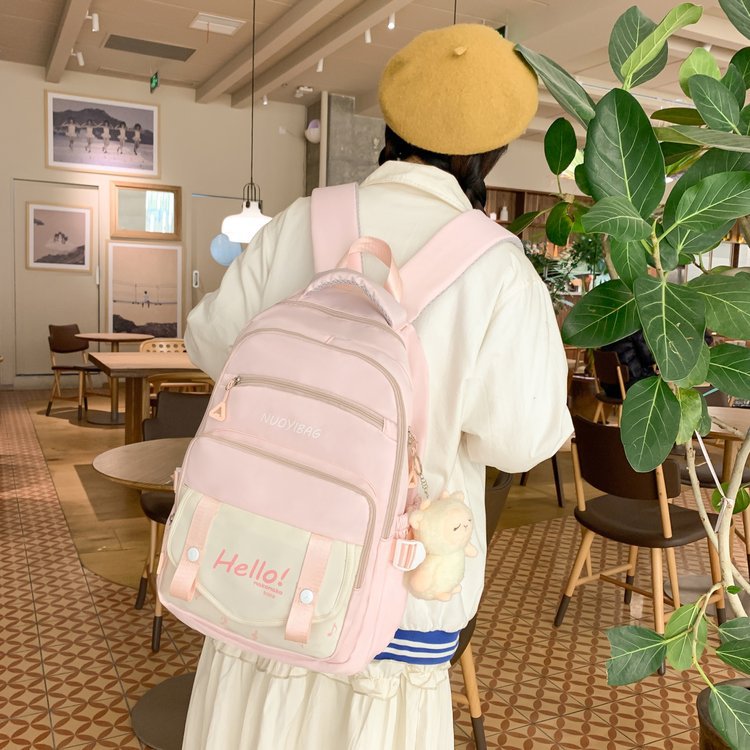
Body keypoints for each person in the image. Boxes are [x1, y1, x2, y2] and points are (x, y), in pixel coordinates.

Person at [182, 24, 572, 750]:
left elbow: (209, 343)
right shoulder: (499, 270)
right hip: (398, 590)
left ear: (391, 124)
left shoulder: (301, 221)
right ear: (491, 151)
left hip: (258, 557)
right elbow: (524, 440)